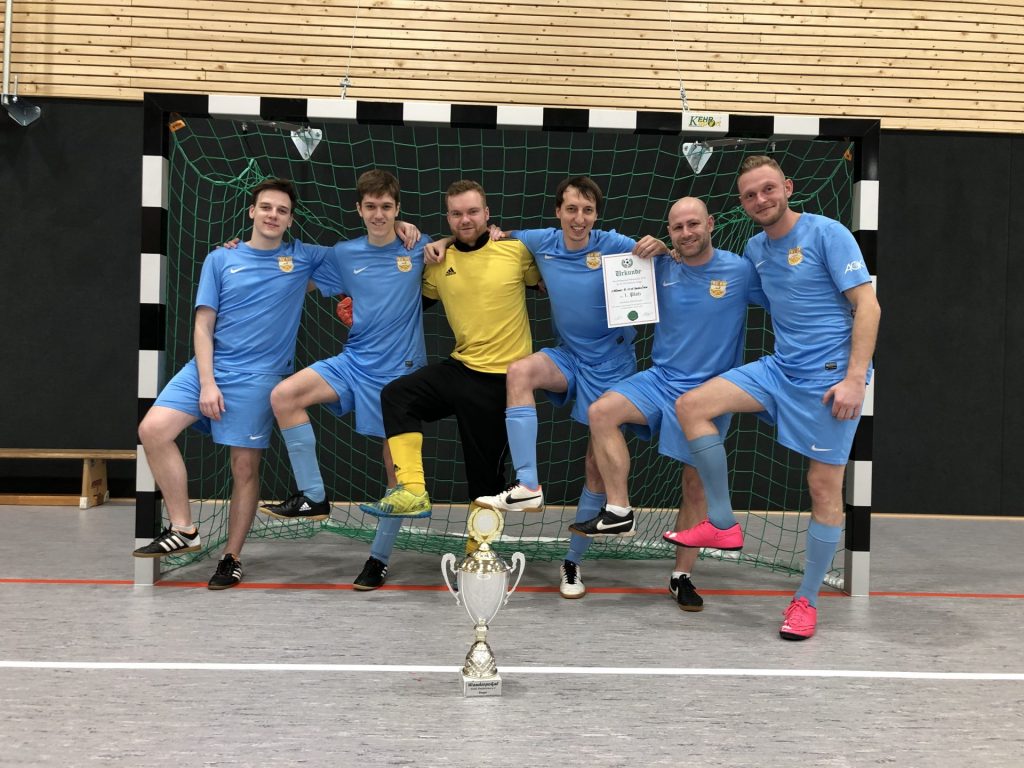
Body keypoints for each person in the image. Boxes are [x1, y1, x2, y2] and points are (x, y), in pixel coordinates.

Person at [670, 155, 881, 640]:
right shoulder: (755, 249)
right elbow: (730, 283)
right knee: (691, 406)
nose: (760, 199)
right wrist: (674, 257)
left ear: (787, 187)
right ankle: (722, 522)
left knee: (823, 488)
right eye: (750, 195)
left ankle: (806, 600)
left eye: (768, 189)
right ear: (742, 204)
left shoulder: (827, 233)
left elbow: (868, 305)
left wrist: (855, 379)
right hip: (780, 370)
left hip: (830, 380)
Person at [469, 176, 667, 599]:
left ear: (596, 216)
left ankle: (572, 562)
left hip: (612, 365)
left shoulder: (614, 244)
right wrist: (491, 233)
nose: (579, 218)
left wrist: (661, 248)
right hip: (568, 357)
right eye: (572, 209)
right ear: (558, 211)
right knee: (519, 372)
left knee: (595, 467)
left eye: (588, 211)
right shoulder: (541, 240)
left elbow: (661, 258)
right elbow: (500, 234)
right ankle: (528, 486)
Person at [133, 178, 334, 589]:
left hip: (259, 378)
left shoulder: (303, 259)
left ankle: (231, 557)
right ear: (252, 212)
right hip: (206, 369)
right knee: (152, 430)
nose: (273, 215)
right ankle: (184, 528)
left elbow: (365, 254)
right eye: (266, 207)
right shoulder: (220, 258)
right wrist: (207, 383)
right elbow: (203, 325)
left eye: (282, 210)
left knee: (244, 467)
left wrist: (407, 232)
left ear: (291, 220)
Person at [579, 196, 765, 610]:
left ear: (710, 224)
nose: (687, 233)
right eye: (678, 227)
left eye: (693, 224)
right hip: (660, 380)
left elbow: (784, 302)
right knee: (601, 411)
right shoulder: (658, 266)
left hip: (707, 395)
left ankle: (681, 576)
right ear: (669, 233)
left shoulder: (740, 270)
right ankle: (619, 509)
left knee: (695, 485)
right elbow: (601, 256)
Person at [255, 169, 429, 591]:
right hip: (354, 362)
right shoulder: (343, 254)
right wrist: (244, 254)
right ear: (358, 209)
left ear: (398, 209)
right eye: (370, 207)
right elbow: (294, 273)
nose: (378, 214)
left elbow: (458, 245)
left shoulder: (419, 246)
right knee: (284, 396)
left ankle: (378, 560)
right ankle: (313, 495)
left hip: (400, 377)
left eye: (386, 207)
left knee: (398, 482)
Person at [359, 179, 540, 520]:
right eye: (456, 214)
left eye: (473, 212)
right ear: (448, 218)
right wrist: (360, 310)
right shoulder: (439, 260)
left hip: (503, 382)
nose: (465, 219)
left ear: (487, 213)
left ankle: (479, 550)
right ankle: (412, 491)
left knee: (485, 486)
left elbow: (552, 280)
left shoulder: (515, 251)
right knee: (397, 396)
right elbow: (406, 307)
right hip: (461, 370)